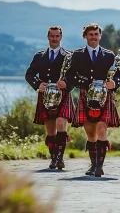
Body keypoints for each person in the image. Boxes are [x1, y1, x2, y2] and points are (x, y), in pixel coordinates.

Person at [66, 23, 120, 177]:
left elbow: (118, 76)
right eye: (90, 34)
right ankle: (93, 164)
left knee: (101, 129)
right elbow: (70, 75)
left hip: (105, 96)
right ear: (85, 36)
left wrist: (114, 84)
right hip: (86, 95)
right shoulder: (77, 55)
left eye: (96, 34)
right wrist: (85, 83)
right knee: (91, 134)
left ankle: (99, 166)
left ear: (100, 36)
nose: (93, 37)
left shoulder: (109, 55)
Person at [25, 26, 75, 170]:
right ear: (48, 37)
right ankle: (53, 158)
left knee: (60, 123)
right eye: (52, 36)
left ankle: (60, 157)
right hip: (45, 95)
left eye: (57, 36)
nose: (54, 38)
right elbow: (29, 74)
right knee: (50, 130)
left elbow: (74, 76)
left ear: (61, 37)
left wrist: (67, 84)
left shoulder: (69, 56)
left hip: (63, 94)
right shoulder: (39, 56)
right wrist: (37, 84)